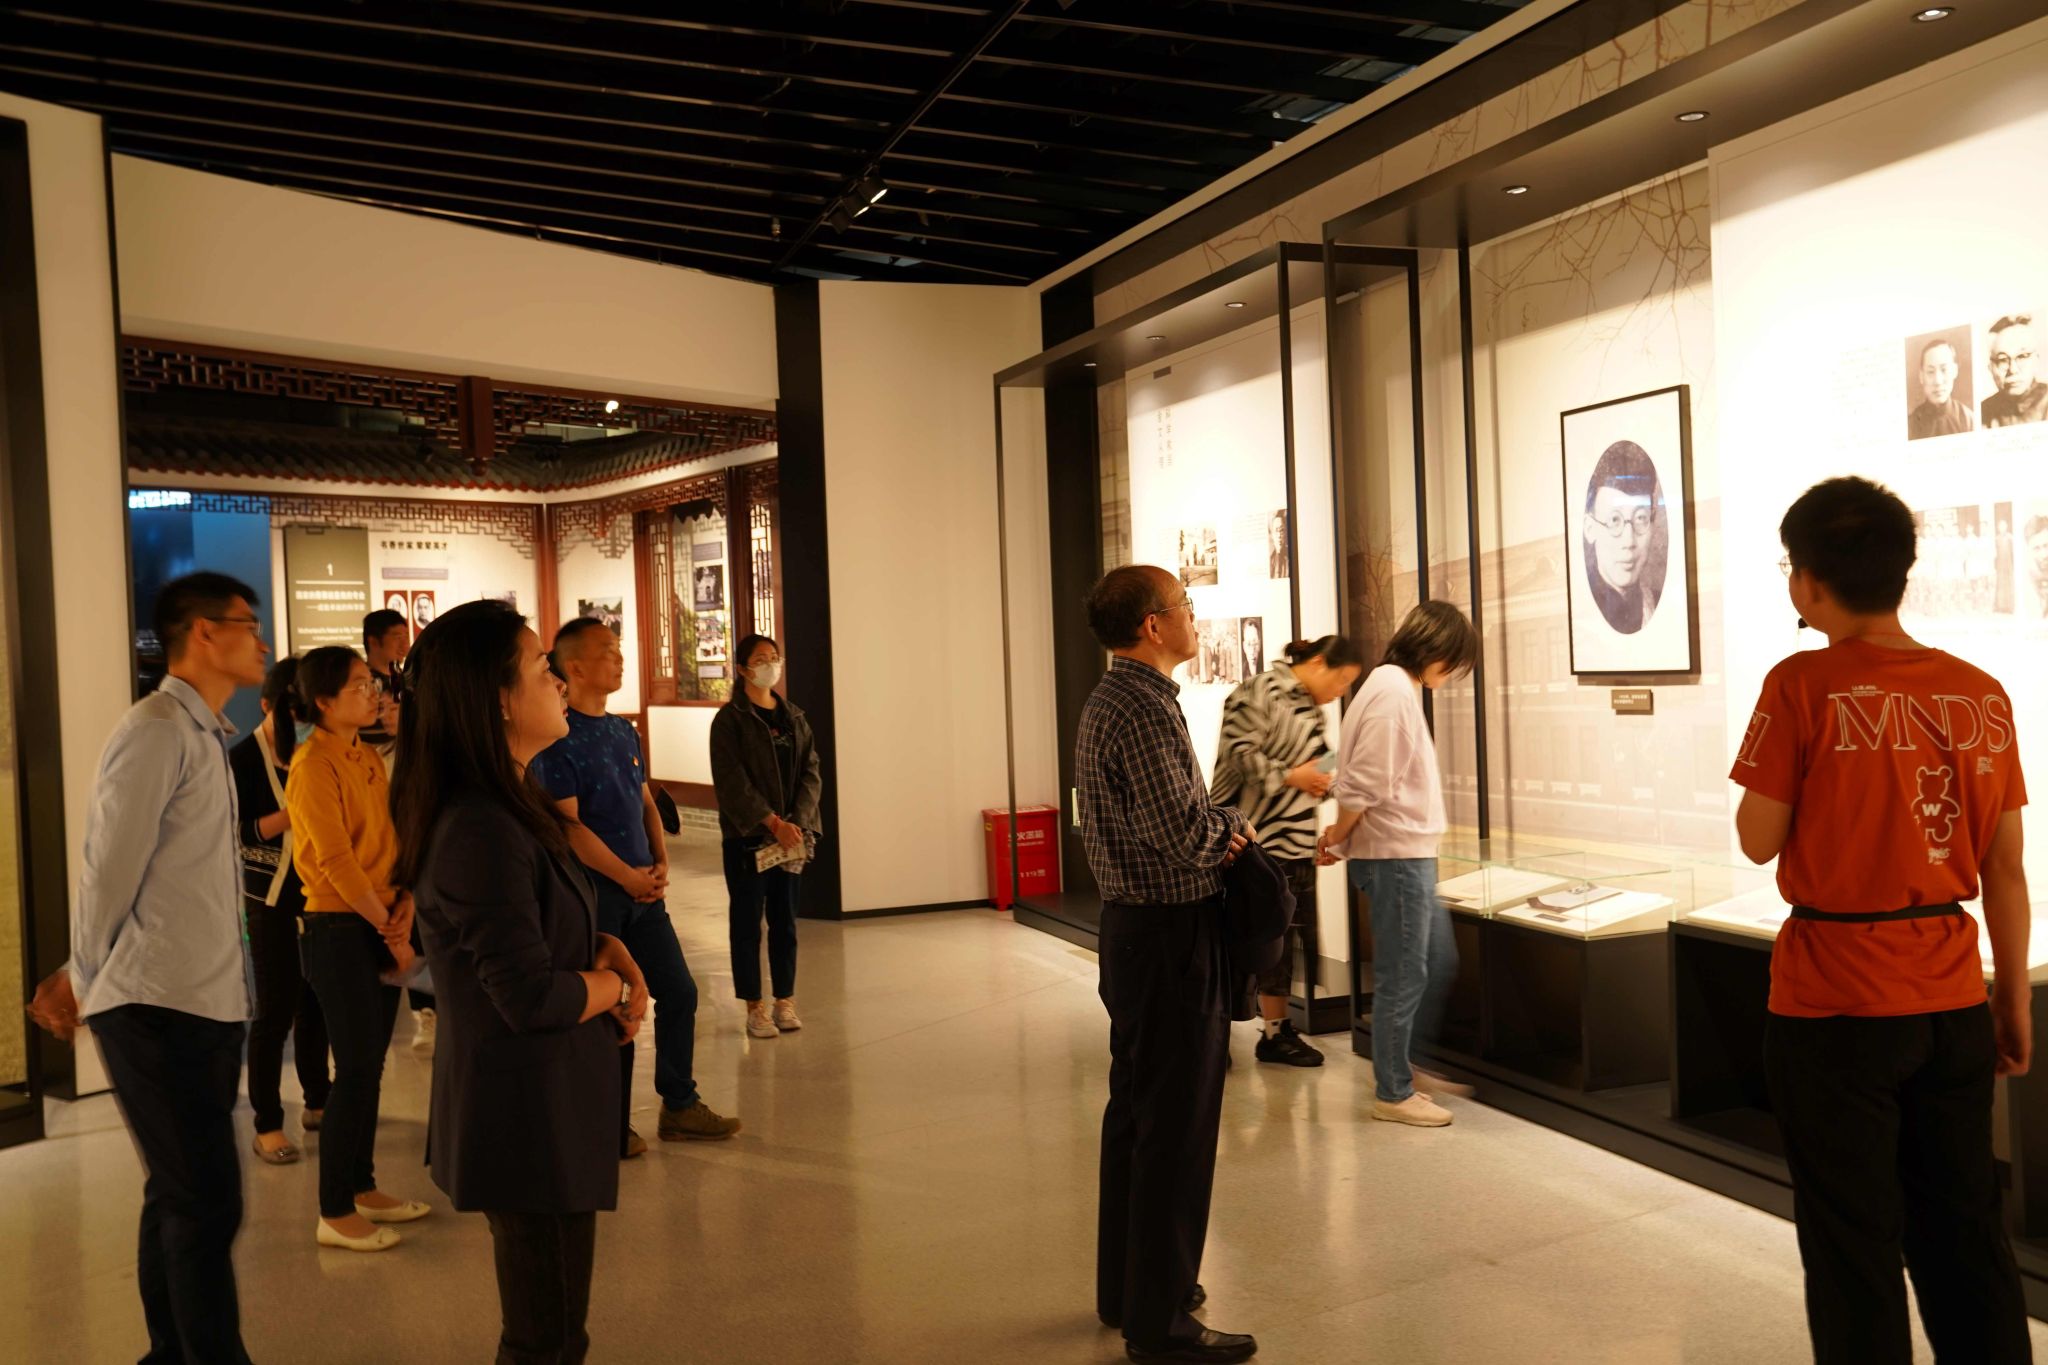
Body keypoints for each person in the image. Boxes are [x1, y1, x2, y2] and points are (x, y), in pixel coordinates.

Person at [1734, 475, 2031, 1364]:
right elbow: (2005, 870)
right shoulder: (1980, 692)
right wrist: (2011, 1000)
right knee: (1965, 1231)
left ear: (1806, 579)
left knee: (1852, 1245)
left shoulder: (1799, 682)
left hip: (1833, 1003)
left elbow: (1757, 839)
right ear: (1901, 571)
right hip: (1951, 999)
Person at [398, 600, 647, 1365]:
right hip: (523, 1115)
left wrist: (603, 944)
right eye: (542, 667)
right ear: (500, 699)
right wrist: (613, 989)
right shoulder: (479, 823)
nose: (559, 681)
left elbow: (526, 927)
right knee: (545, 1339)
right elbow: (529, 994)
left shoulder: (514, 801)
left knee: (558, 1331)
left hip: (548, 1103)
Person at [43, 573, 269, 1363]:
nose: (262, 641)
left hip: (203, 1003)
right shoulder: (157, 730)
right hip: (154, 1004)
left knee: (178, 1192)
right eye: (248, 624)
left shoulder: (203, 733)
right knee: (205, 1200)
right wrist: (81, 975)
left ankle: (170, 1351)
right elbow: (107, 868)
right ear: (204, 632)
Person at [1077, 564, 1258, 1365]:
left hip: (1138, 933)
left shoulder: (1115, 698)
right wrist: (1235, 830)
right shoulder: (1142, 710)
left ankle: (1132, 1288)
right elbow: (1184, 832)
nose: (1193, 614)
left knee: (1138, 1114)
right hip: (1168, 939)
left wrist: (1215, 822)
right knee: (1174, 1129)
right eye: (1185, 604)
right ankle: (1160, 1324)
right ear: (1153, 625)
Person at [535, 618, 739, 1148]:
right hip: (598, 894)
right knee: (614, 1004)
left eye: (618, 648)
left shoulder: (623, 730)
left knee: (680, 991)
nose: (620, 658)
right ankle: (611, 1122)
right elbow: (569, 828)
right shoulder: (559, 738)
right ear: (575, 667)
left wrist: (660, 860)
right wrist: (626, 877)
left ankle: (680, 1104)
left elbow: (646, 798)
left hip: (643, 893)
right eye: (608, 650)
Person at [287, 645, 432, 1252]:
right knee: (353, 1070)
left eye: (372, 685)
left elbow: (395, 839)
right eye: (358, 686)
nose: (373, 694)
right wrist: (388, 928)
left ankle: (363, 1185)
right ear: (323, 701)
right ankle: (334, 1209)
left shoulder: (367, 755)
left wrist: (405, 902)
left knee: (370, 1066)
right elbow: (334, 860)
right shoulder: (312, 764)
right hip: (338, 927)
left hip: (382, 916)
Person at [1317, 601, 1479, 1129]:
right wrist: (1339, 835)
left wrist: (1341, 836)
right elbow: (1363, 781)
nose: (1451, 675)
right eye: (1453, 663)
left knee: (1435, 961)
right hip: (1396, 855)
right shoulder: (1391, 692)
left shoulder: (1392, 686)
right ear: (1437, 651)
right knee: (1405, 973)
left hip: (1406, 852)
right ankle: (1393, 1091)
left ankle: (1406, 1065)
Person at [1212, 636, 1363, 1068]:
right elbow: (1238, 754)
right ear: (1318, 663)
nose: (1341, 691)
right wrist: (1293, 776)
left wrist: (1329, 785)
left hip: (1293, 843)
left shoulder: (1311, 709)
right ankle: (1212, 1035)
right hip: (1247, 843)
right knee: (1234, 940)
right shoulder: (1259, 691)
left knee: (1281, 944)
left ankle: (1276, 1033)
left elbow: (1321, 765)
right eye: (1341, 680)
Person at [230, 656, 331, 1165]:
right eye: (292, 713)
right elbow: (236, 832)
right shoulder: (242, 759)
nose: (300, 723)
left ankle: (317, 1100)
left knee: (316, 1004)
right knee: (273, 1011)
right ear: (268, 706)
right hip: (268, 899)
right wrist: (293, 814)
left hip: (318, 894)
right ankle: (267, 1123)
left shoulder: (317, 749)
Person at [709, 634, 822, 1041]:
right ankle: (754, 1006)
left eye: (774, 657)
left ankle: (784, 1000)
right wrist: (773, 822)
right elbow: (731, 782)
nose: (770, 665)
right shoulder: (730, 720)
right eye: (760, 659)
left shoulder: (794, 716)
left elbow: (811, 771)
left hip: (791, 838)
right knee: (746, 922)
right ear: (742, 669)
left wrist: (798, 822)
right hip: (748, 837)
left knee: (785, 921)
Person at [361, 607, 437, 1054]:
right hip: (376, 813)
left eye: (405, 634)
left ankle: (428, 1009)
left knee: (420, 911)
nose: (402, 642)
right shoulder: (361, 686)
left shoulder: (407, 684)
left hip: (409, 807)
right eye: (394, 636)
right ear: (372, 640)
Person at [1581, 441, 1666, 634]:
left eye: (1641, 518)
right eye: (1614, 520)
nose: (1629, 542)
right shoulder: (1582, 609)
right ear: (1590, 528)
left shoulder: (1661, 605)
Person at [1983, 314, 2046, 428]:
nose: (2013, 369)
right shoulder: (1983, 411)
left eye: (2022, 356)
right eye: (2002, 360)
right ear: (1990, 367)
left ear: (2036, 360)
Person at [1907, 337, 1974, 440]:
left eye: (1944, 370)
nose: (1938, 381)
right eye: (1930, 372)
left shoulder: (1969, 420)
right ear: (1921, 376)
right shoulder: (1910, 425)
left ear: (1955, 371)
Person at [1267, 510, 1288, 580]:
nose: (1279, 535)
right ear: (1272, 535)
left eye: (1281, 530)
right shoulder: (1270, 561)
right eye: (1276, 531)